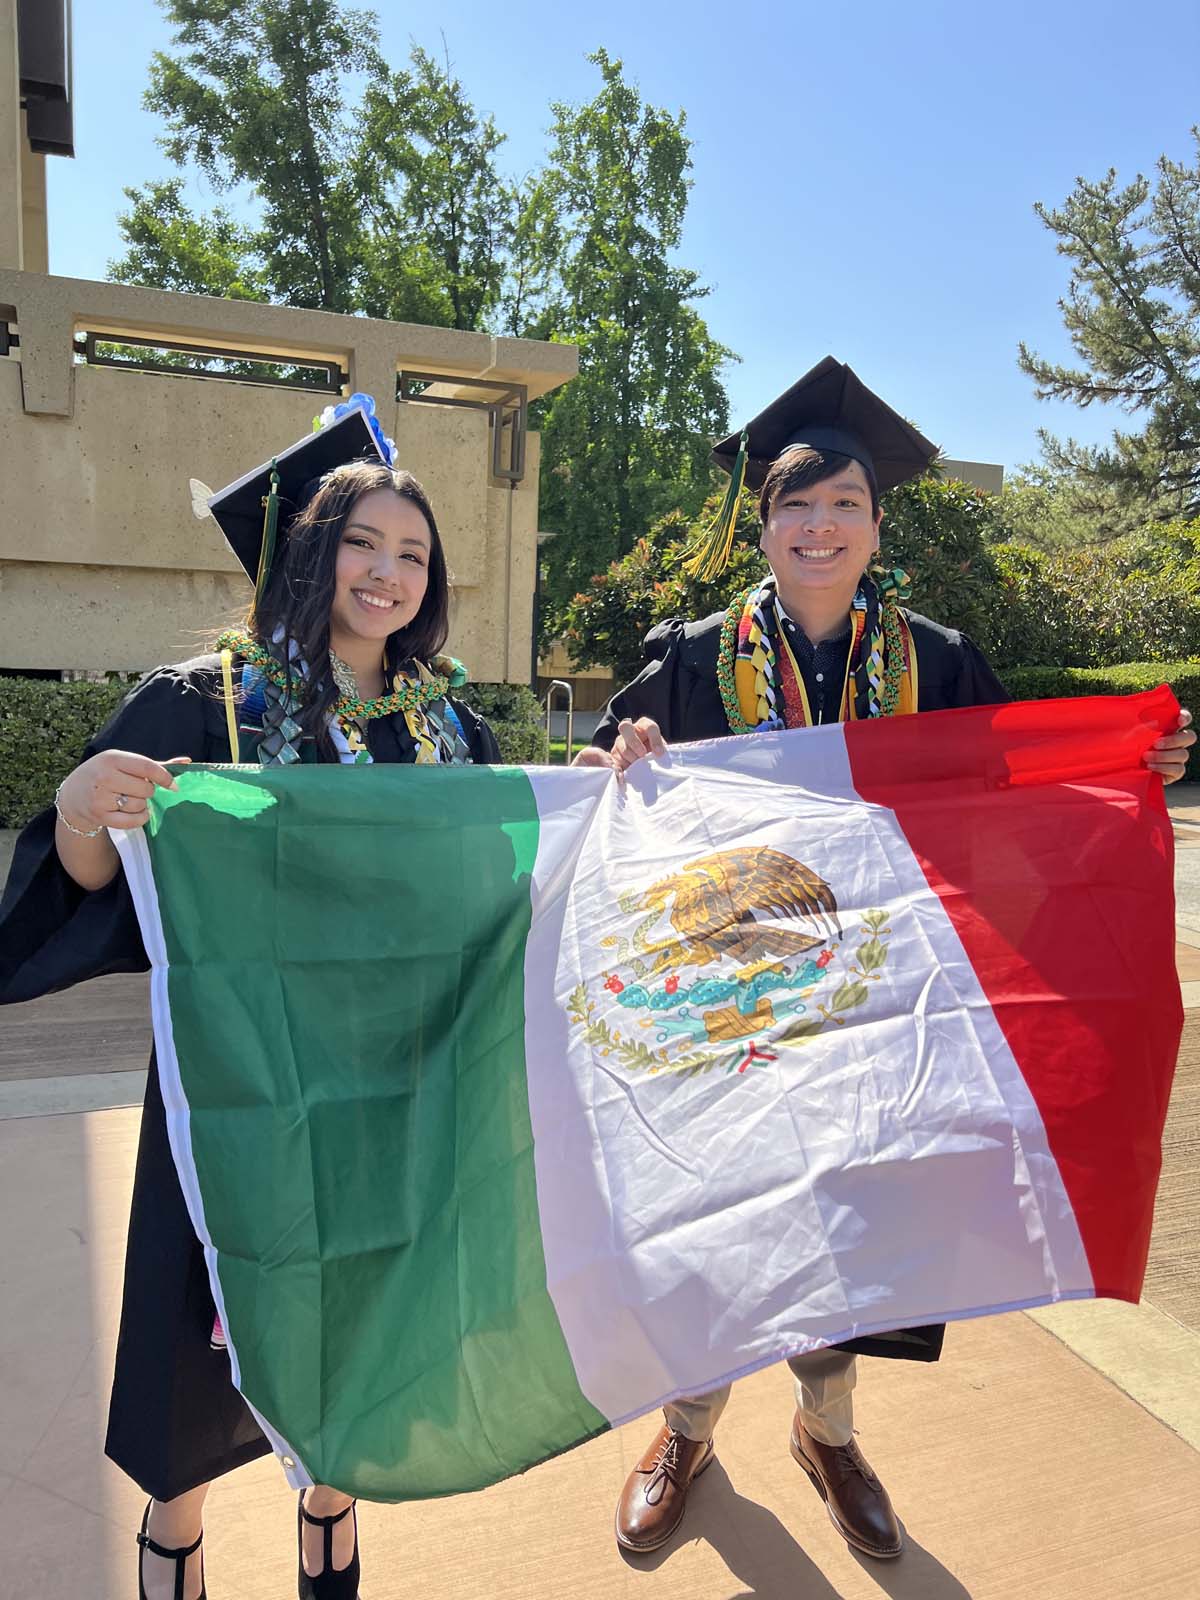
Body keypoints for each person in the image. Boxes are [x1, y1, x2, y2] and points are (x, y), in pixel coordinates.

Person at [574, 356, 1195, 1561]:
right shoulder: (694, 656)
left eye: (844, 504)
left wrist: (1126, 771)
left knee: (854, 1238)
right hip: (733, 1010)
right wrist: (625, 747)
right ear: (762, 522)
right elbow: (611, 801)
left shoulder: (941, 660)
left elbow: (1023, 791)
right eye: (796, 505)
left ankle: (827, 1429)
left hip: (884, 1011)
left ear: (875, 521)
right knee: (713, 1226)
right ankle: (688, 1424)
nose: (820, 526)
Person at [0, 398, 502, 1600]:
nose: (386, 572)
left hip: (388, 1089)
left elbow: (507, 868)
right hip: (235, 1087)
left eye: (413, 553)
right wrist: (80, 809)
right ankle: (177, 1529)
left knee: (360, 1310)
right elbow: (88, 898)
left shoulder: (447, 724)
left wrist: (607, 784)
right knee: (197, 1308)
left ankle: (330, 1508)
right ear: (310, 556)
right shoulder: (208, 703)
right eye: (362, 544)